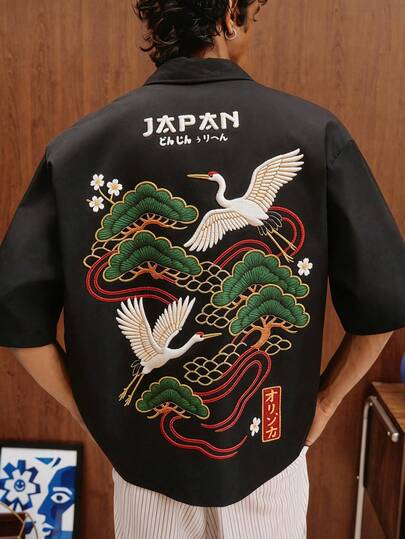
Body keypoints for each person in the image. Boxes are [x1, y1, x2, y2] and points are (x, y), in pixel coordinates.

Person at [0, 0, 405, 537]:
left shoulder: (78, 148)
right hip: (273, 458)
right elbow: (385, 296)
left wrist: (96, 418)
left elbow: (16, 314)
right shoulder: (312, 131)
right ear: (232, 13)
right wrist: (324, 405)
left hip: (144, 472)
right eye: (252, 15)